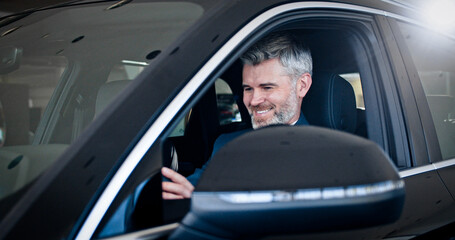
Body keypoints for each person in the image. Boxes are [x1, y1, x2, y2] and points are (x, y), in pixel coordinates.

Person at [162, 32, 313, 199]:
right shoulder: (226, 144)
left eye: (267, 88)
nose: (254, 101)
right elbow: (189, 191)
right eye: (248, 89)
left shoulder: (326, 150)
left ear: (302, 86)